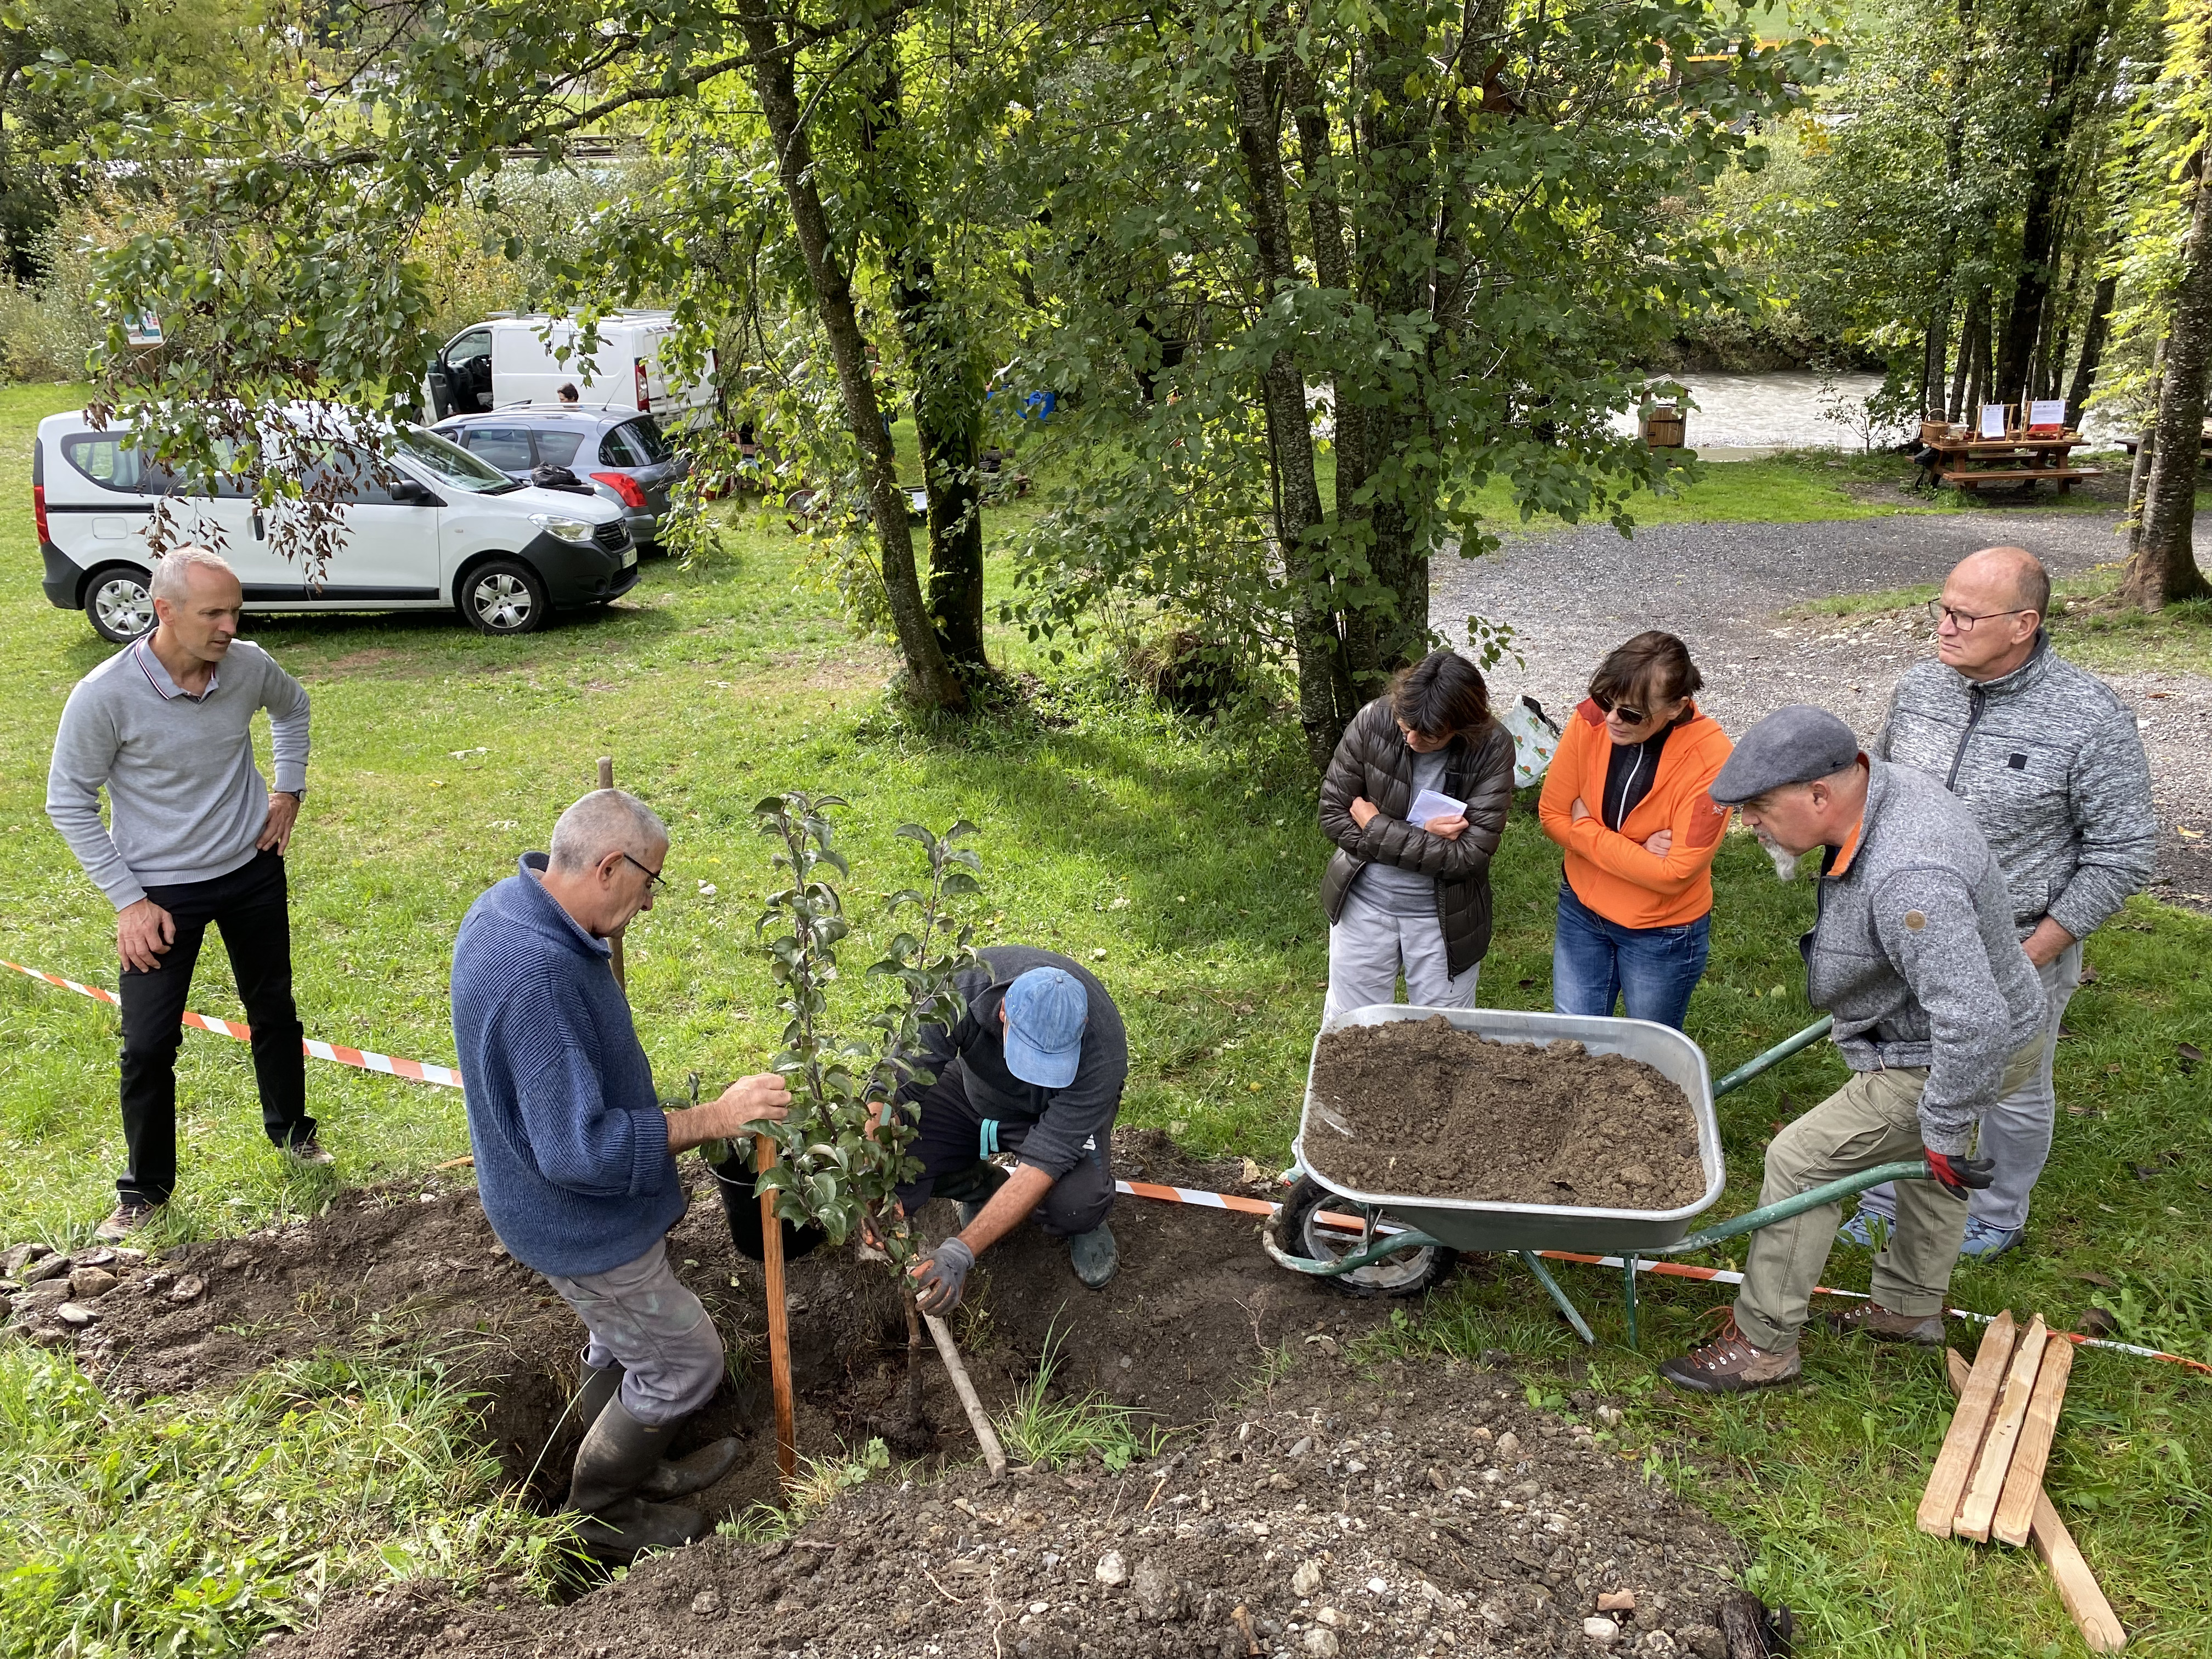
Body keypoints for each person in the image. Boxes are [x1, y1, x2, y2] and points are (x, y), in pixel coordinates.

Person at [1658, 707, 2047, 1394]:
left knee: (1801, 1161)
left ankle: (1764, 1345)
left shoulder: (1909, 879)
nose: (1750, 823)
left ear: (1820, 795)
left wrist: (1947, 1124)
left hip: (1957, 1044)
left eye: (1758, 808)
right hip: (1971, 1024)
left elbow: (1973, 1020)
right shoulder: (1879, 787)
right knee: (1925, 1162)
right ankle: (1908, 1308)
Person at [450, 788, 793, 1553]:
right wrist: (716, 1118)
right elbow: (580, 1150)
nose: (647, 905)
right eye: (648, 887)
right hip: (578, 1218)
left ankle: (642, 1468)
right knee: (684, 1363)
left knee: (619, 1341)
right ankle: (602, 1509)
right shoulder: (537, 979)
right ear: (610, 866)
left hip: (537, 1199)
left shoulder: (508, 907)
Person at [1842, 546, 2155, 1260]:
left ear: (2023, 624)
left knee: (2010, 1087)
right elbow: (1879, 794)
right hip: (1910, 937)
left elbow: (2124, 852)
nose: (1944, 627)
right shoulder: (1920, 690)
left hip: (2018, 947)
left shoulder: (2090, 719)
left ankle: (1995, 1214)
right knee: (1898, 1069)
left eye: (1963, 616)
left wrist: (2032, 954)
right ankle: (1887, 1196)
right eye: (1942, 609)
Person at [46, 547, 325, 1243]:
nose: (229, 625)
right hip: (160, 894)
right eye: (213, 613)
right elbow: (67, 800)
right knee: (146, 1044)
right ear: (162, 611)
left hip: (251, 870)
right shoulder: (105, 696)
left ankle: (293, 1135)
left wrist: (287, 788)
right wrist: (128, 901)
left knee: (273, 1010)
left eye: (235, 610)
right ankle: (145, 1191)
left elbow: (293, 708)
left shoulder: (248, 665)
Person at [899, 947, 1128, 1314]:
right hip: (974, 1091)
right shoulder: (960, 989)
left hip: (1054, 1116)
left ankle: (1083, 1226)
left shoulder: (1104, 1054)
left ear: (1083, 1025)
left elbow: (1046, 1161)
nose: (1036, 1074)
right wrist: (872, 1165)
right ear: (1003, 1011)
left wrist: (962, 1251)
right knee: (903, 1161)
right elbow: (896, 1084)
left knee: (1077, 1205)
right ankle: (980, 1185)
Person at [1537, 631, 1734, 1029]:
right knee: (1571, 1046)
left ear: (1677, 707)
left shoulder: (1713, 759)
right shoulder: (1589, 717)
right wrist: (1636, 847)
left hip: (1660, 934)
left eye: (1631, 714)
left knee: (1646, 1060)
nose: (1611, 719)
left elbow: (1675, 873)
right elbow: (1552, 816)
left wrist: (1587, 828)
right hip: (1581, 913)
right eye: (1607, 701)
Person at [1317, 650, 1516, 1021]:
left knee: (1441, 1032)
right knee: (1351, 1025)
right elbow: (1332, 815)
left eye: (1430, 736)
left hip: (1443, 919)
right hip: (1365, 906)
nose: (1411, 740)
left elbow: (1468, 857)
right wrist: (1422, 834)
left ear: (1462, 727)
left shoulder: (1493, 747)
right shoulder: (1374, 720)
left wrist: (1376, 826)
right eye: (1405, 725)